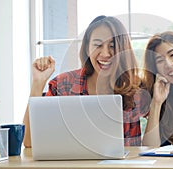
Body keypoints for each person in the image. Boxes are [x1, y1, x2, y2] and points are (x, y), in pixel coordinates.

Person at [23, 15, 149, 148]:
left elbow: (155, 141)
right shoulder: (63, 85)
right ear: (87, 48)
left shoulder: (136, 89)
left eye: (112, 46)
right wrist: (38, 82)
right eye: (98, 45)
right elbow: (29, 142)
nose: (105, 53)